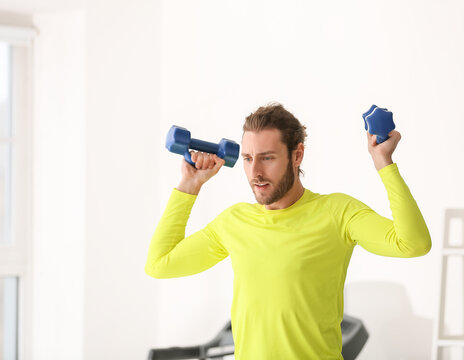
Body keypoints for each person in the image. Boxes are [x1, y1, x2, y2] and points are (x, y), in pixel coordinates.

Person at [145, 102, 431, 360]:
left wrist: (384, 162)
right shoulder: (233, 221)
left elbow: (413, 244)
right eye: (247, 158)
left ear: (297, 155)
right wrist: (189, 187)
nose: (255, 171)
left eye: (267, 158)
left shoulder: (337, 212)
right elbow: (159, 265)